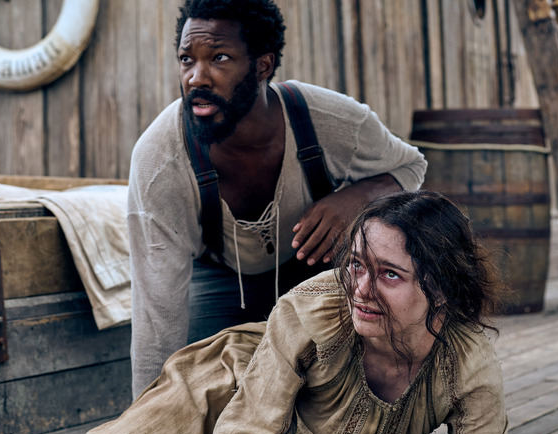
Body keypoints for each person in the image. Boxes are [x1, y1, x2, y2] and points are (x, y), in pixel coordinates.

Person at [127, 0, 428, 396]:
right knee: (202, 386)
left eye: (219, 58)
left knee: (337, 390)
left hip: (312, 273)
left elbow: (411, 168)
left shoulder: (326, 120)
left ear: (263, 66)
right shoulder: (160, 161)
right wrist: (148, 418)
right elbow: (156, 318)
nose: (196, 78)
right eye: (187, 59)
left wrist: (355, 197)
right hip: (218, 277)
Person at [88, 190, 509, 434]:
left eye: (390, 275)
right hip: (233, 381)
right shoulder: (312, 311)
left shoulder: (466, 365)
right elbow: (248, 429)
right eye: (357, 265)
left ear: (442, 289)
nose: (361, 290)